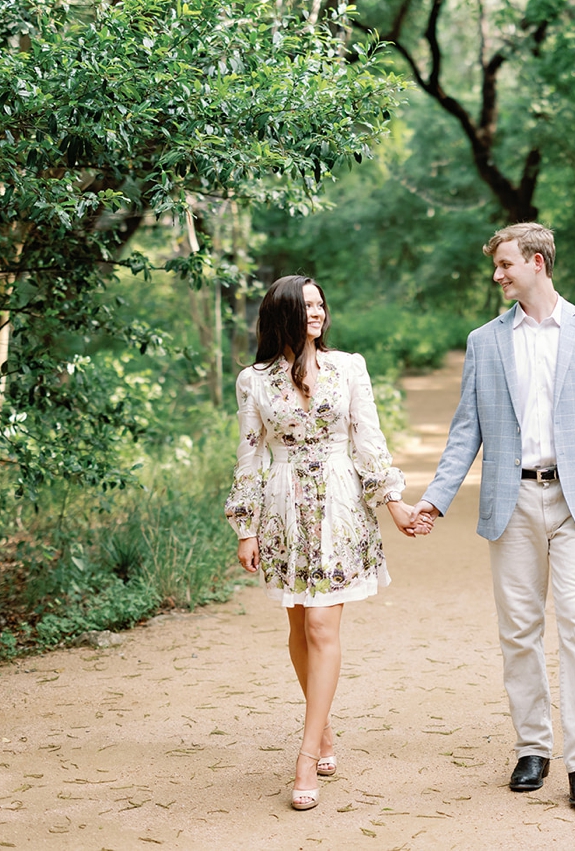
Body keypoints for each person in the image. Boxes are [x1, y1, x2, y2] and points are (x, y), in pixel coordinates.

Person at [413, 223, 575, 810]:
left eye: (506, 265)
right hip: (510, 502)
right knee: (518, 631)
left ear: (536, 262)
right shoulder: (485, 341)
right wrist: (435, 499)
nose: (498, 275)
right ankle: (533, 748)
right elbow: (467, 429)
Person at [225, 275, 417, 812]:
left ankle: (306, 754)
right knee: (295, 625)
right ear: (282, 314)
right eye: (305, 306)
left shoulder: (348, 367)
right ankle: (324, 726)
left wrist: (394, 502)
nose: (317, 313)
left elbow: (367, 438)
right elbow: (251, 456)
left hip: (339, 506)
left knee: (320, 624)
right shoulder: (253, 381)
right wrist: (246, 525)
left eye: (320, 304)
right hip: (284, 511)